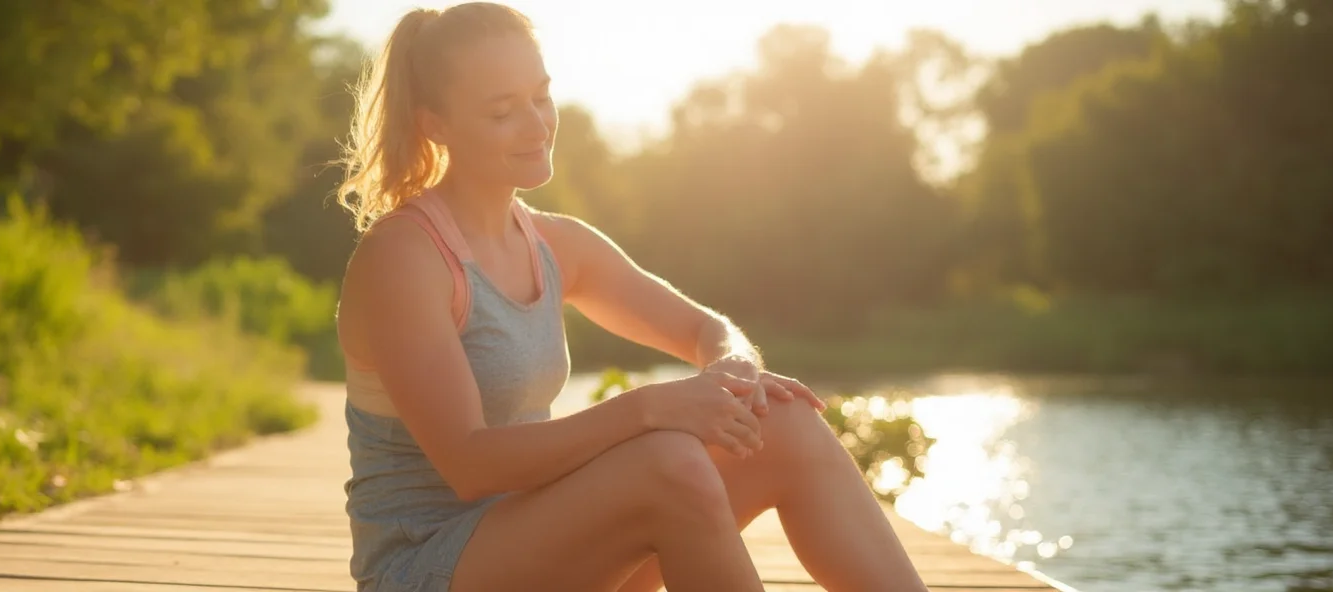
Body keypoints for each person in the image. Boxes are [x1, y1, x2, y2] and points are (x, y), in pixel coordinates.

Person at [333, 3, 930, 591]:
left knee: (788, 424)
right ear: (434, 123)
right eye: (503, 112)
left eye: (541, 97)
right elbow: (471, 466)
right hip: (429, 568)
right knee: (666, 465)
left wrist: (734, 368)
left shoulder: (553, 242)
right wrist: (649, 409)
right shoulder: (404, 259)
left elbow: (708, 329)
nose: (538, 126)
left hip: (551, 547)